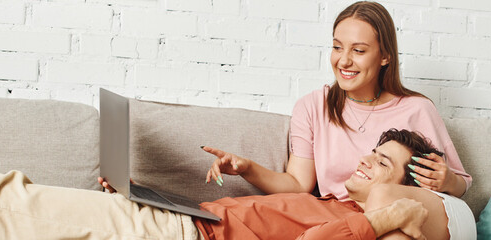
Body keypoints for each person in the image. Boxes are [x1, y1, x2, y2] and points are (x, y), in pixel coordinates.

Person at [202, 1, 474, 239]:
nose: (343, 61)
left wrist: (448, 180)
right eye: (337, 47)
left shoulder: (417, 109)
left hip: (393, 219)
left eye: (358, 50)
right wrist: (247, 167)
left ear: (385, 56)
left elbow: (458, 185)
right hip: (338, 223)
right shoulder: (313, 106)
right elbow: (298, 185)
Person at [0, 129, 462, 240]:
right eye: (371, 153)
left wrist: (383, 215)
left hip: (185, 236)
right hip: (185, 223)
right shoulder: (329, 200)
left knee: (5, 197)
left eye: (384, 165)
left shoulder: (359, 225)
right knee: (16, 205)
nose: (369, 163)